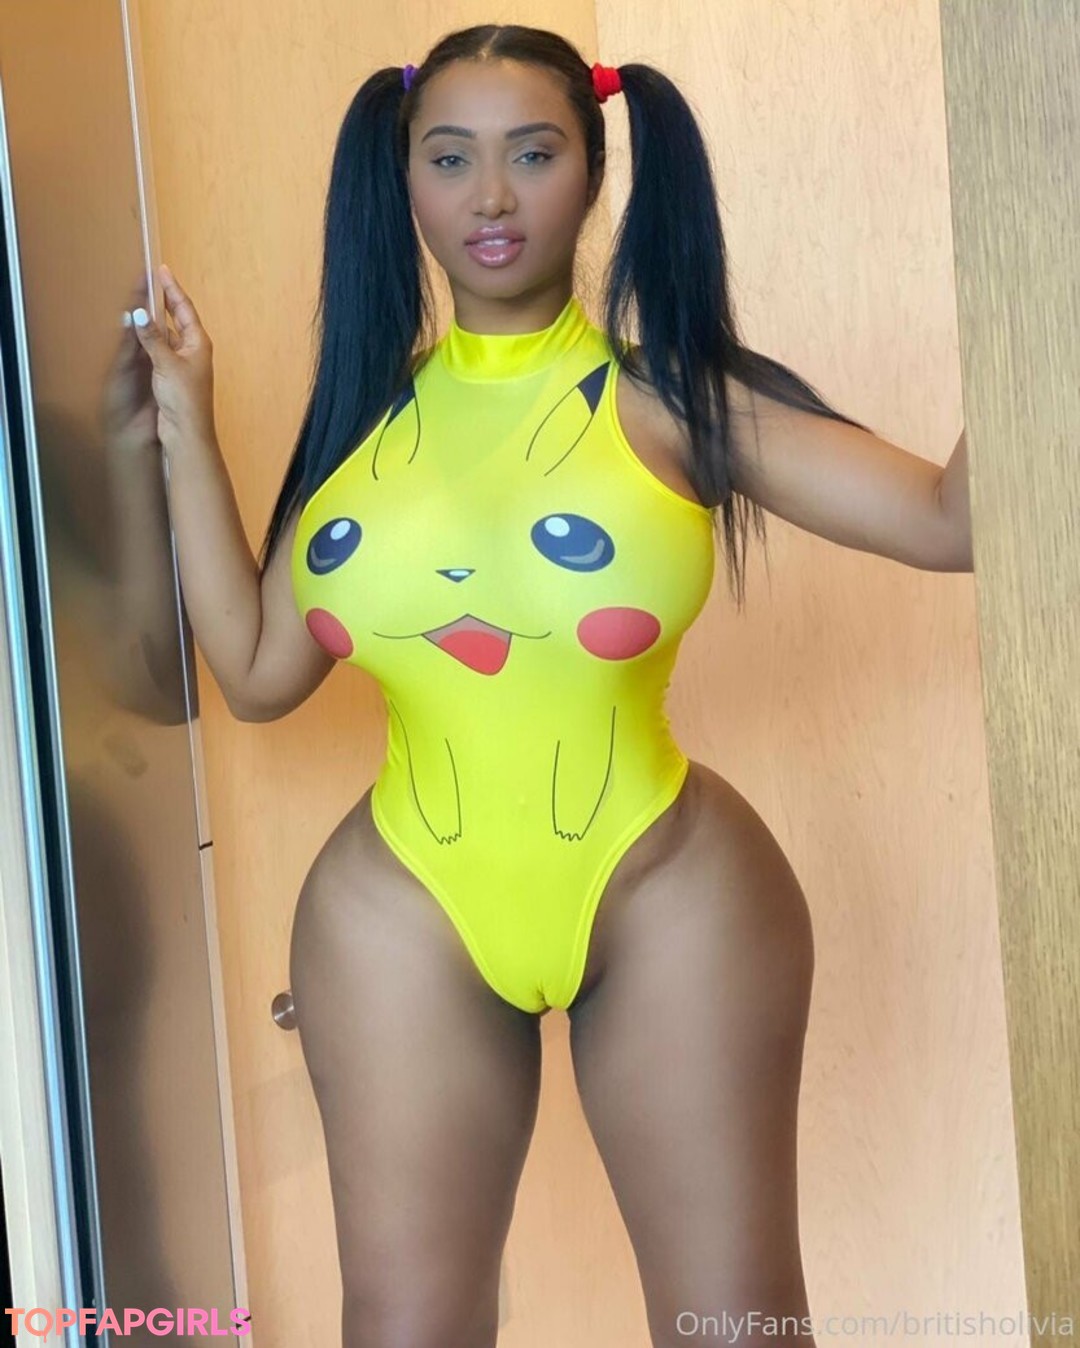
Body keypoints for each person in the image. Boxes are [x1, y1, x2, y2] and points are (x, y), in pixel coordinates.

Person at [132, 22, 972, 1348]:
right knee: (406, 1329)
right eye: (449, 158)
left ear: (595, 168)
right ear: (402, 180)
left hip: (670, 892)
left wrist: (1044, 270)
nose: (492, 196)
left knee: (735, 1328)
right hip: (399, 909)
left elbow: (946, 522)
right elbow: (252, 672)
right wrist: (187, 410)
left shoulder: (675, 401)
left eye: (533, 154)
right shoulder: (364, 427)